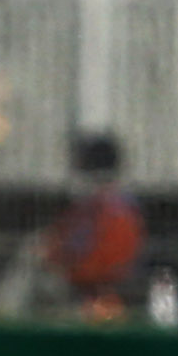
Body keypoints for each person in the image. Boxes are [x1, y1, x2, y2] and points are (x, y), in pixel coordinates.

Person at [40, 131, 146, 317]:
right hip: (77, 292)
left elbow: (110, 267)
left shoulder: (117, 210)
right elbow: (56, 246)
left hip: (103, 300)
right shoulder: (88, 207)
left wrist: (63, 266)